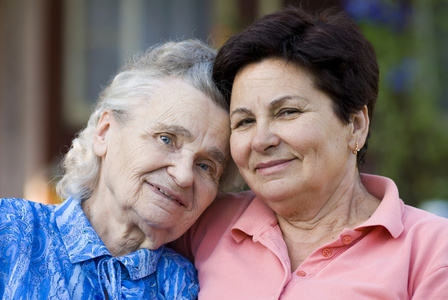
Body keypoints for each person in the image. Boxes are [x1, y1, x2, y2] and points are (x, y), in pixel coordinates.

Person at [175, 7, 448, 299]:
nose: (261, 140)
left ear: (355, 125)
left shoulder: (432, 250)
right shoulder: (203, 221)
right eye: (244, 122)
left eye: (287, 112)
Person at [0, 39, 241, 299]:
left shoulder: (188, 288)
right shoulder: (11, 231)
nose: (183, 175)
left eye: (205, 166)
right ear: (105, 132)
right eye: (166, 139)